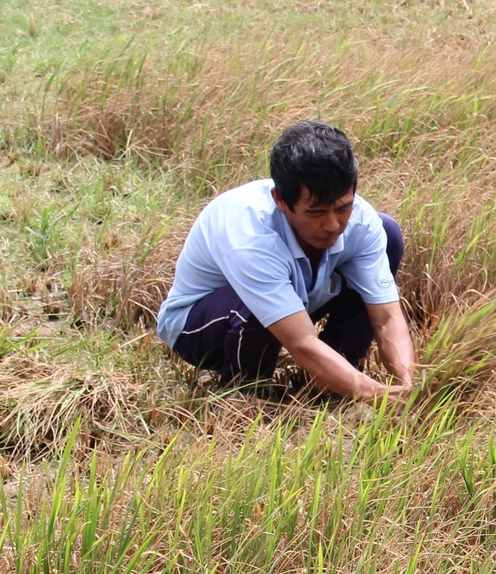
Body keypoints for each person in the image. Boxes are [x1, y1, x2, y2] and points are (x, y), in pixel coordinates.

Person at [157, 121, 415, 400]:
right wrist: (376, 394)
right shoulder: (250, 235)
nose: (332, 225)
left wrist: (408, 383)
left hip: (293, 304)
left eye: (343, 207)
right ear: (280, 200)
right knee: (252, 308)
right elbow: (301, 342)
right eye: (316, 212)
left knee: (388, 232)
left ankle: (334, 375)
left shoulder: (361, 222)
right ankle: (246, 392)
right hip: (197, 328)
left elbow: (387, 318)